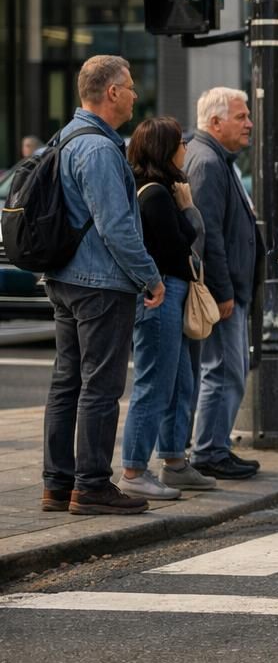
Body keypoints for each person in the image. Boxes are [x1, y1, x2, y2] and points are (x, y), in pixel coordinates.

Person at [41, 56, 164, 516]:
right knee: (100, 386)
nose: (135, 94)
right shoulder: (98, 149)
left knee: (66, 382)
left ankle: (57, 484)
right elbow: (116, 226)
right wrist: (149, 277)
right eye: (130, 87)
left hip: (65, 277)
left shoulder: (66, 137)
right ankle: (91, 485)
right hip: (99, 284)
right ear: (111, 93)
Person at [119, 116, 215, 499]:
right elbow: (180, 243)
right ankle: (133, 470)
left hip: (169, 292)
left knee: (179, 382)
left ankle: (174, 461)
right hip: (160, 294)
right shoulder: (156, 193)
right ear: (165, 149)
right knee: (155, 384)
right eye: (180, 142)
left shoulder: (155, 189)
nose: (186, 148)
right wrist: (189, 209)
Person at [185, 88, 260, 480]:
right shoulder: (208, 162)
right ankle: (210, 451)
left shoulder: (218, 158)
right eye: (241, 117)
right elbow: (207, 232)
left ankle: (214, 446)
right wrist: (223, 290)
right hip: (222, 293)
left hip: (232, 290)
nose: (249, 123)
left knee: (228, 369)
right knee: (224, 371)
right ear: (215, 123)